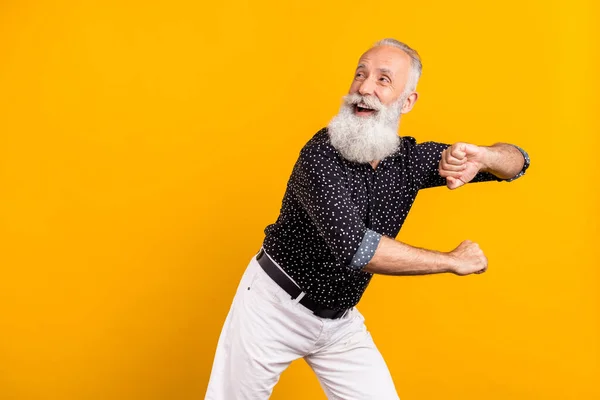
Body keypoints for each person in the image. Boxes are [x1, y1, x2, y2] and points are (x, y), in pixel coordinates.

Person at [204, 38, 530, 399]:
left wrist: (483, 157)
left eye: (383, 80)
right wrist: (452, 261)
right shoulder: (320, 156)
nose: (363, 87)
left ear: (408, 101)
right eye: (360, 74)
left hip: (339, 324)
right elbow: (359, 251)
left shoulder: (409, 161)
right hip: (272, 308)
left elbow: (517, 164)